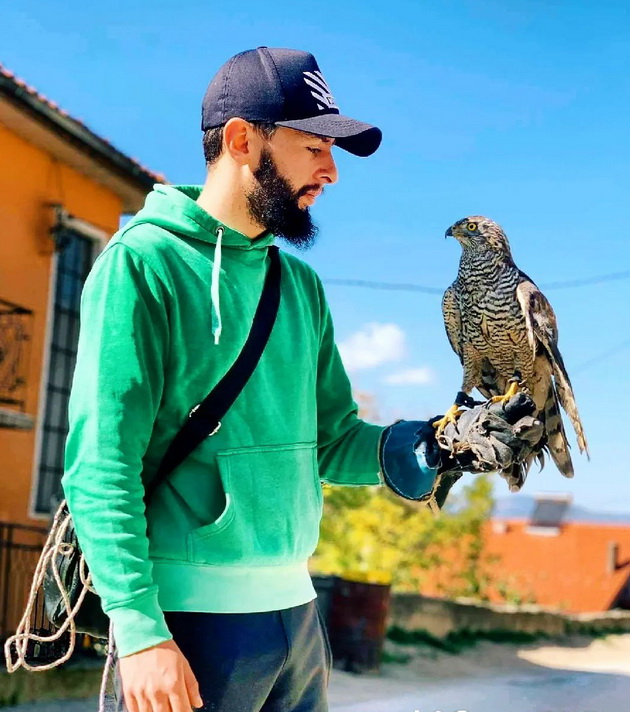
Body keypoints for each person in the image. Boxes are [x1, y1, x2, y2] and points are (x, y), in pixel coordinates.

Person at [61, 47, 535, 712]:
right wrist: (140, 633)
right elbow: (100, 463)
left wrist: (439, 444)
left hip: (299, 621)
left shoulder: (298, 287)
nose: (332, 172)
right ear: (240, 139)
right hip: (189, 626)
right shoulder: (142, 265)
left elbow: (333, 439)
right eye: (313, 146)